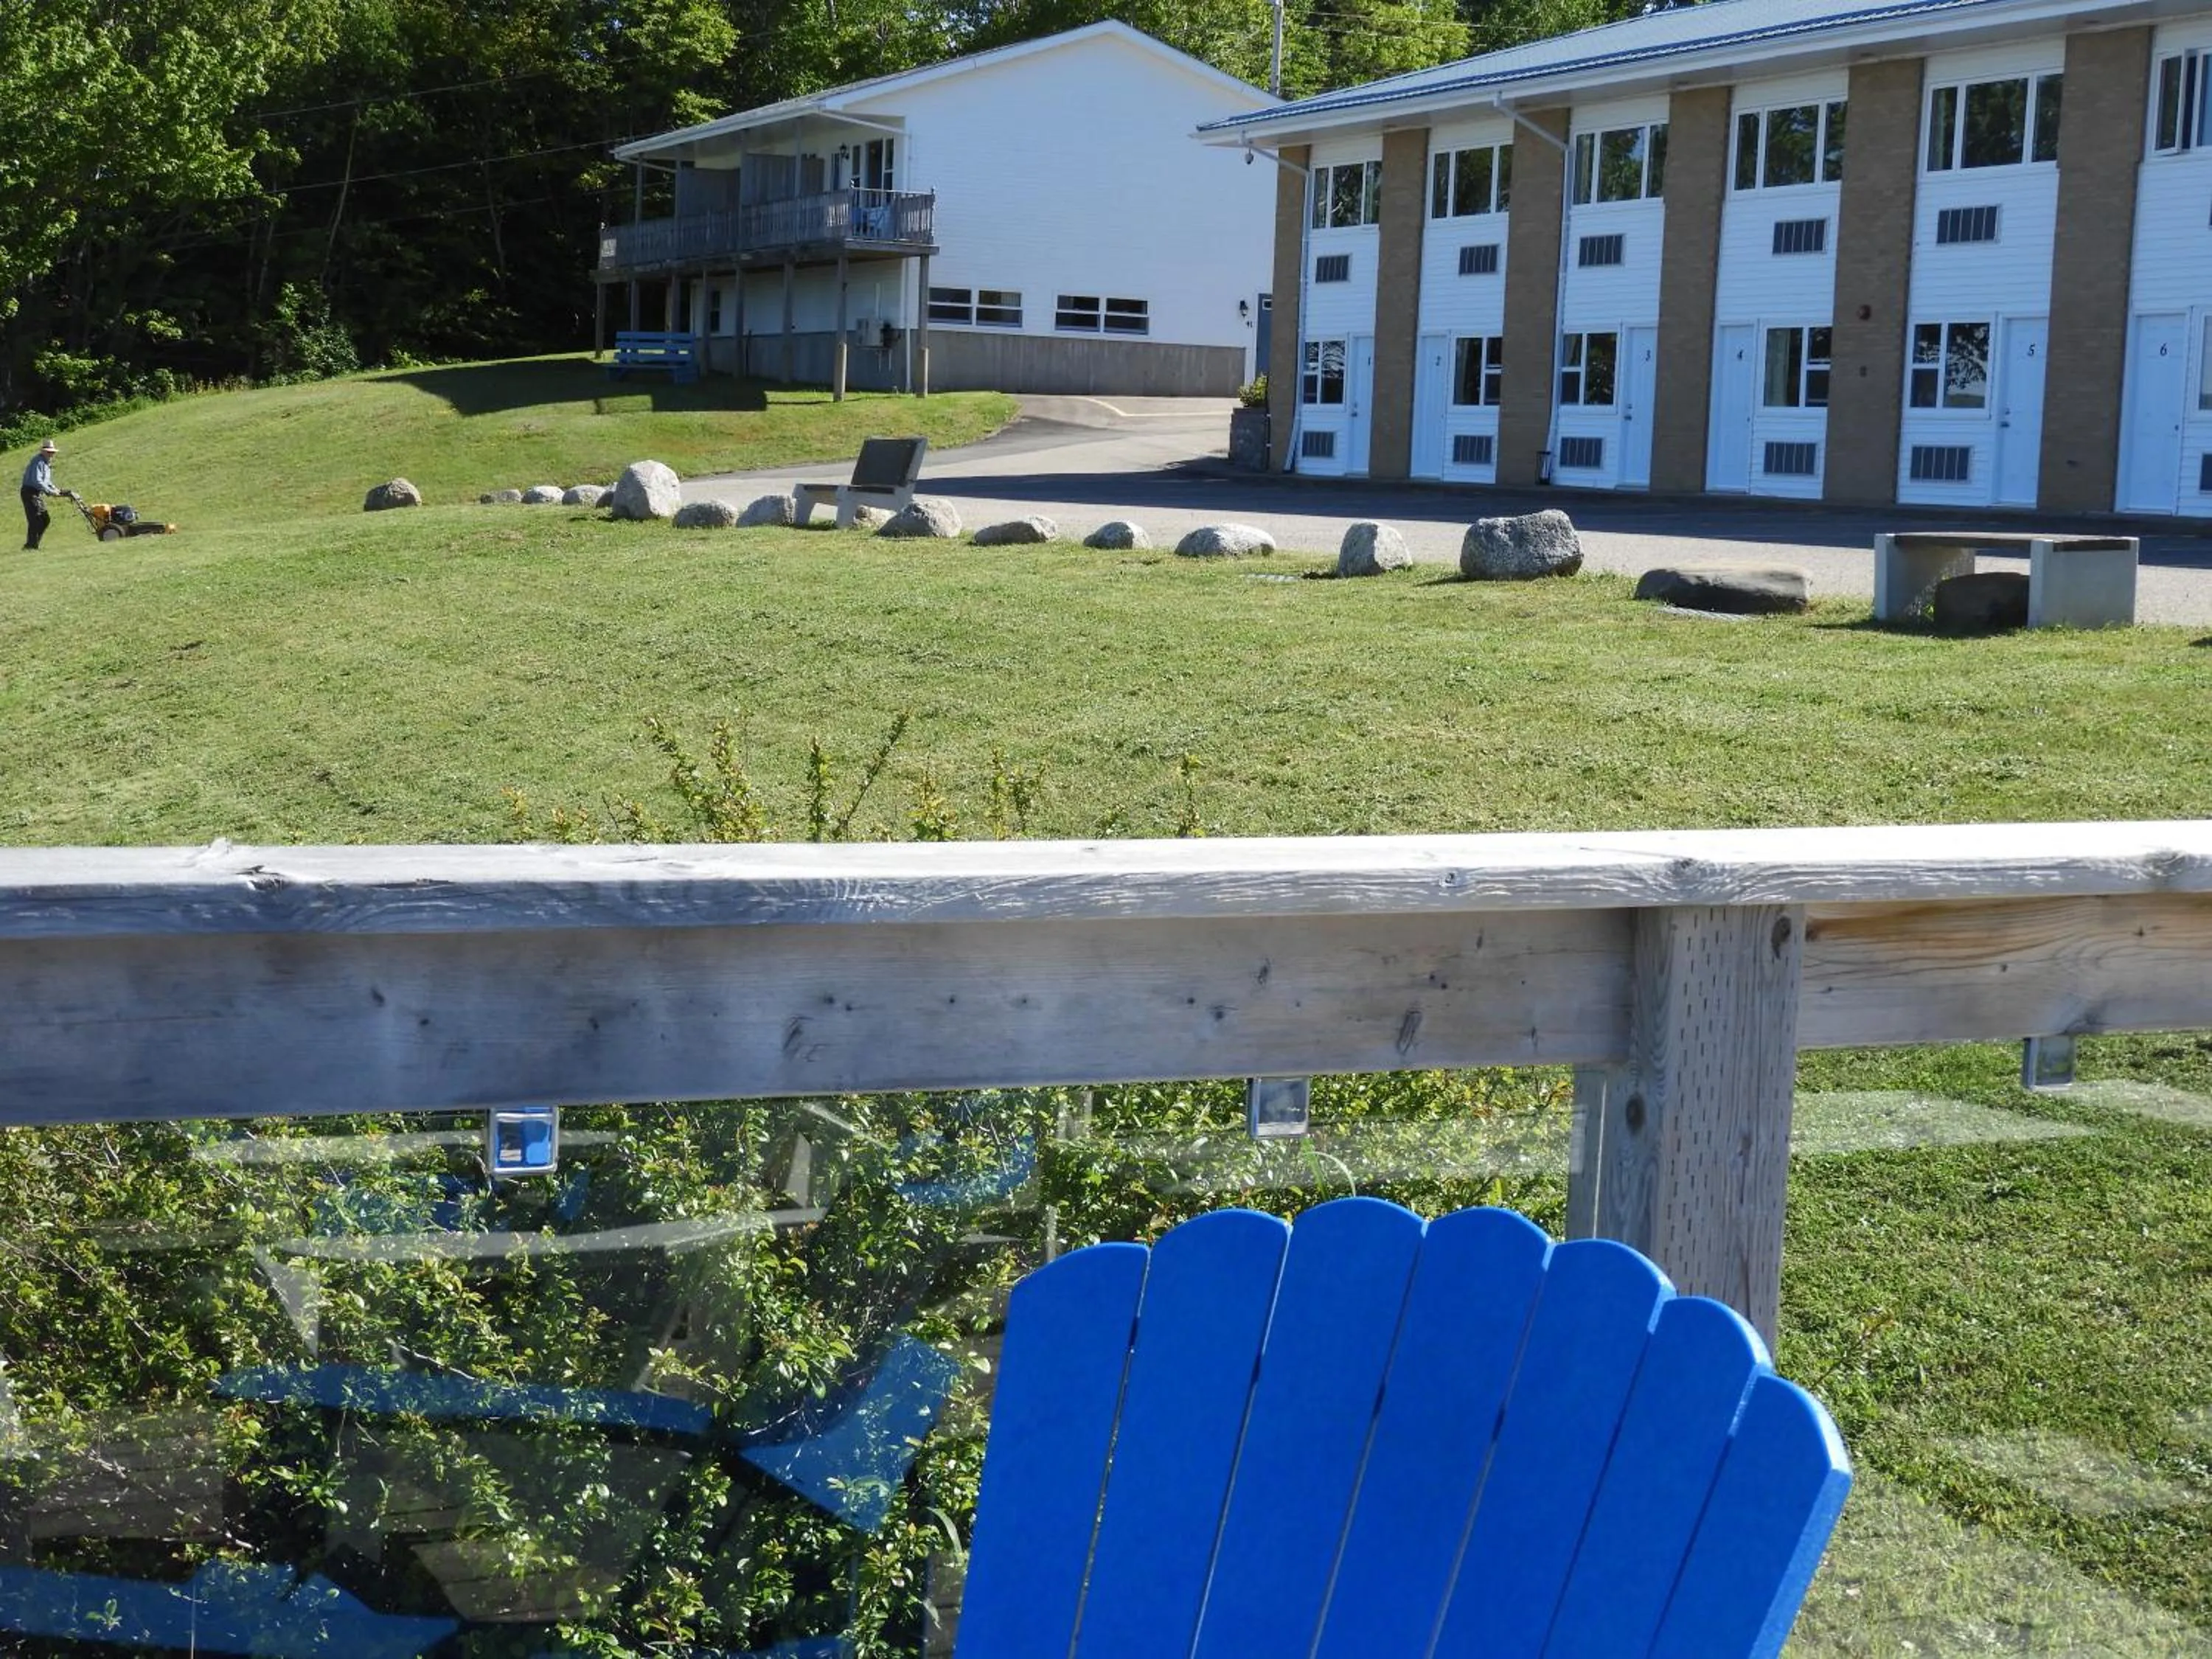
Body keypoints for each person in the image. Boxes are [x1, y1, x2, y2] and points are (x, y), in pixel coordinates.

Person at [20, 439, 75, 551]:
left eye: (53, 452)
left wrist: (56, 490)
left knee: (44, 519)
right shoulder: (38, 462)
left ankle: (33, 544)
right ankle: (30, 546)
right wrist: (50, 492)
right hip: (30, 492)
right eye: (49, 452)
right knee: (37, 519)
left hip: (36, 493)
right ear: (44, 451)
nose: (52, 454)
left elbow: (47, 482)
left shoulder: (46, 463)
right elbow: (37, 481)